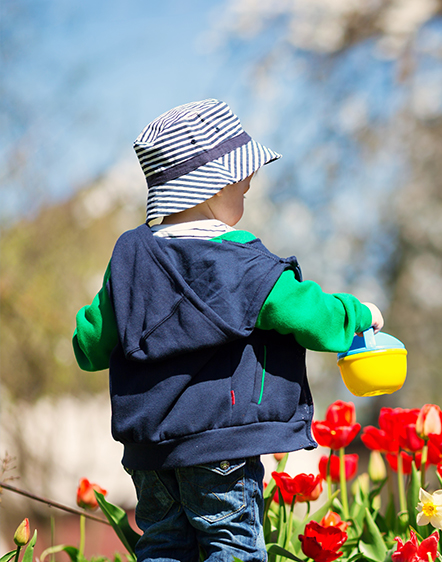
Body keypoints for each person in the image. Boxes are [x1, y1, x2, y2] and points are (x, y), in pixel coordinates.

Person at [72, 99, 384, 562]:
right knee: (232, 546)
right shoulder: (243, 263)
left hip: (150, 453)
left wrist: (95, 323)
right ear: (209, 189)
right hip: (221, 443)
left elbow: (90, 347)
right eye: (241, 184)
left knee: (162, 547)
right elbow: (313, 317)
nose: (249, 188)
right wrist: (360, 314)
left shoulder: (130, 258)